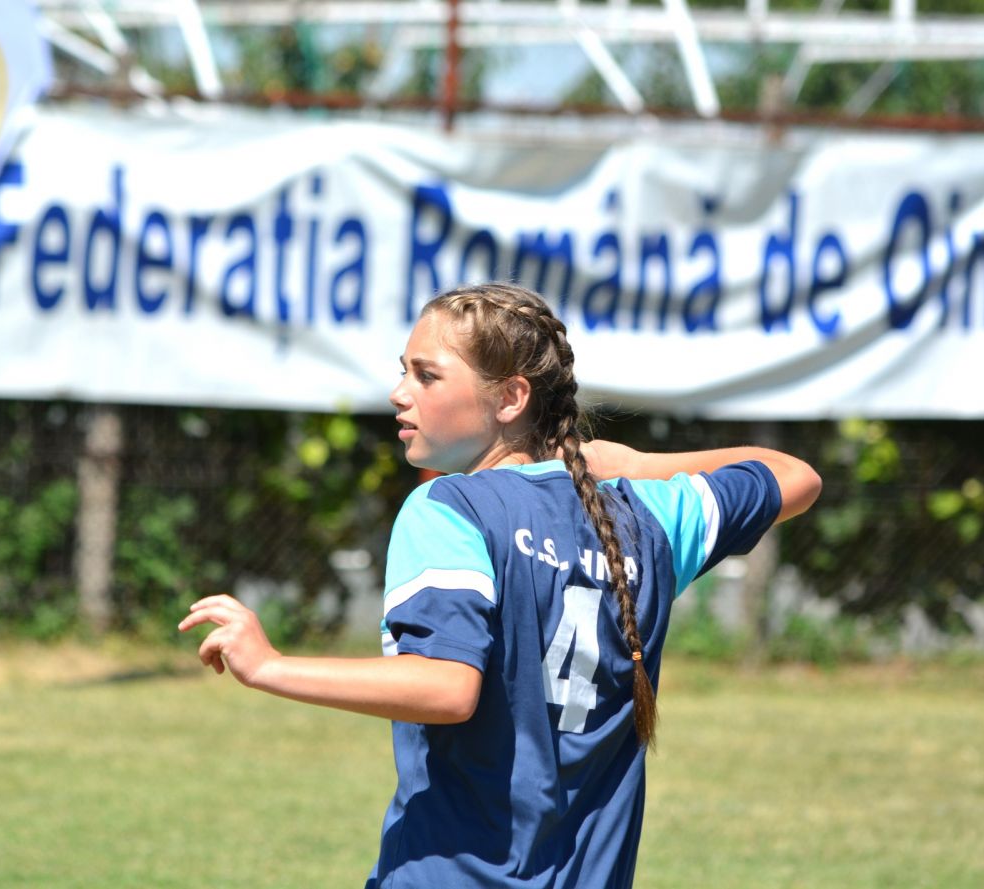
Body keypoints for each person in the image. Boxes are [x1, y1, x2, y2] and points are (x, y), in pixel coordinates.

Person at [179, 282, 821, 888]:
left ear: (511, 399)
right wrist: (633, 465)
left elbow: (447, 686)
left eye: (427, 375)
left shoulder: (449, 509)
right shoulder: (644, 516)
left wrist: (269, 666)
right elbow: (794, 476)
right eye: (403, 369)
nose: (400, 393)